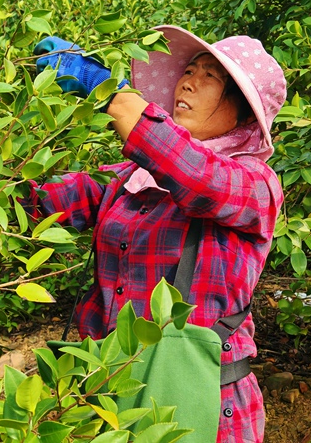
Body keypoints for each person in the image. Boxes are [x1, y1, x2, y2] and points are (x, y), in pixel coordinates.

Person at [23, 25, 287, 442]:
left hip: (202, 403)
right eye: (191, 69)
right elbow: (49, 200)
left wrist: (110, 91)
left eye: (211, 77)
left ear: (241, 111)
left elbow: (197, 175)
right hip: (113, 396)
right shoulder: (132, 179)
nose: (189, 80)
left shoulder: (254, 184)